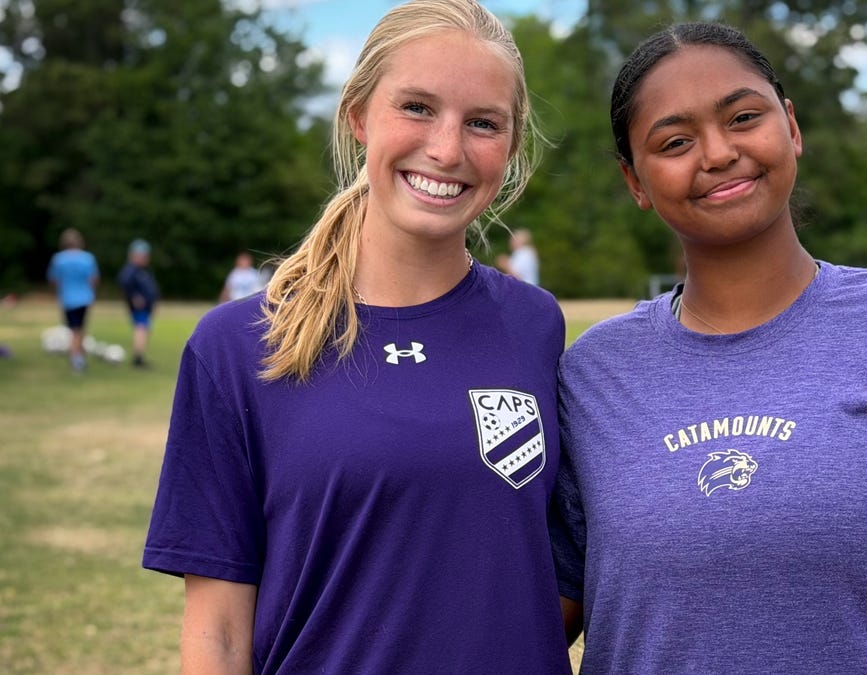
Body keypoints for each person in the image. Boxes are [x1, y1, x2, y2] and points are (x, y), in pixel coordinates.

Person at [551, 22, 867, 674]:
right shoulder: (592, 374)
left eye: (743, 117)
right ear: (636, 182)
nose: (717, 152)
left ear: (791, 125)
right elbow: (524, 622)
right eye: (675, 141)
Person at [142, 1, 570, 672]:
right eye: (418, 108)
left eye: (482, 123)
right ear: (359, 116)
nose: (448, 148)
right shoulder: (237, 345)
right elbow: (218, 632)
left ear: (510, 148)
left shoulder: (536, 325)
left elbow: (541, 573)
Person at [46, 228, 99, 373]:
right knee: (79, 328)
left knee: (74, 329)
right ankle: (78, 357)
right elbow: (93, 279)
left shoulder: (58, 259)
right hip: (84, 298)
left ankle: (77, 358)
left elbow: (54, 279)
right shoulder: (88, 258)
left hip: (68, 298)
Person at [117, 238, 159, 368]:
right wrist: (134, 296)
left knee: (144, 329)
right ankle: (138, 358)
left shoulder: (142, 270)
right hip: (140, 308)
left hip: (146, 307)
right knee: (141, 329)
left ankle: (140, 356)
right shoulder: (131, 270)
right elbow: (124, 283)